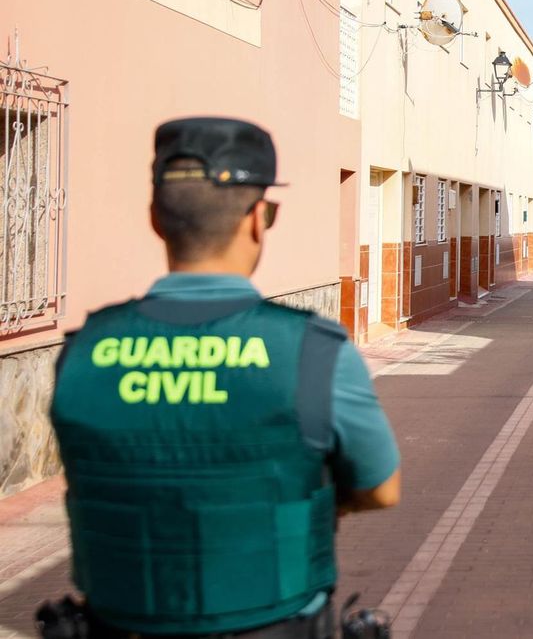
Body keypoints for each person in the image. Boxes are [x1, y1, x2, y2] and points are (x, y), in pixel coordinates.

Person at [46, 117, 401, 638]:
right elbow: (382, 488)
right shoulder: (314, 351)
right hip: (274, 622)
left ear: (156, 220)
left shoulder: (83, 352)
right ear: (258, 219)